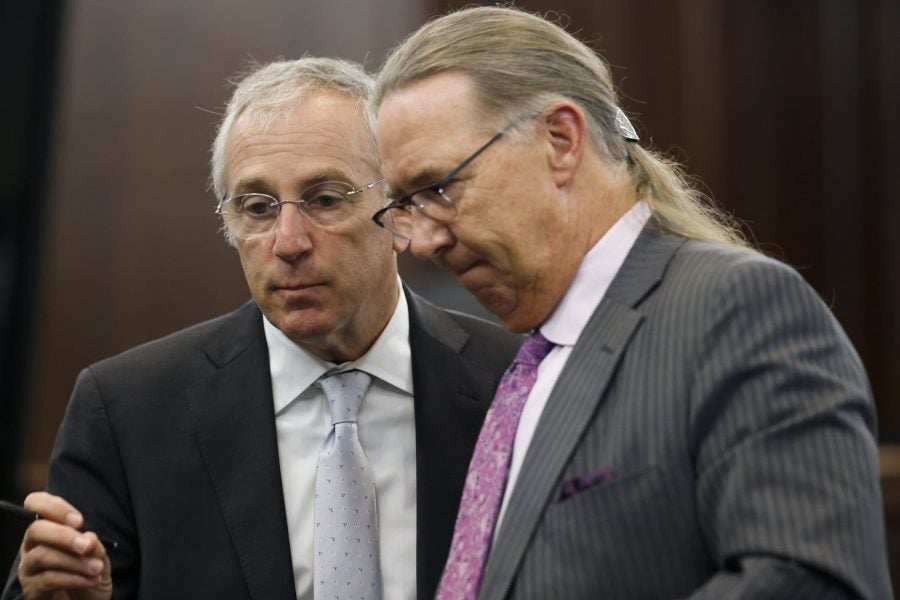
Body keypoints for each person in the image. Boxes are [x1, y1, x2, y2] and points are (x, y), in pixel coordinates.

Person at [370, 6, 892, 599]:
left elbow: (809, 582)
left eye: (439, 188)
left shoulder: (738, 309)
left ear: (560, 140)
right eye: (405, 206)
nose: (424, 242)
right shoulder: (522, 369)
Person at [2, 57, 521, 600]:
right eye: (257, 207)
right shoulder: (127, 410)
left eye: (325, 199)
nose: (288, 242)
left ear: (401, 214)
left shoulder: (512, 383)